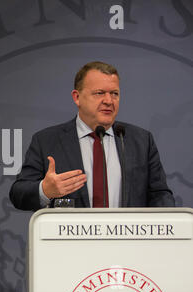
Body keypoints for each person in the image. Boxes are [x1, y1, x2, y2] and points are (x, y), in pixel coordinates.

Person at [9, 61, 174, 210]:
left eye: (114, 93)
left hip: (127, 242)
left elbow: (160, 195)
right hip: (71, 242)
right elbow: (19, 194)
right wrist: (45, 190)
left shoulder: (141, 141)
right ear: (77, 97)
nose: (109, 100)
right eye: (100, 93)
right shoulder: (46, 141)